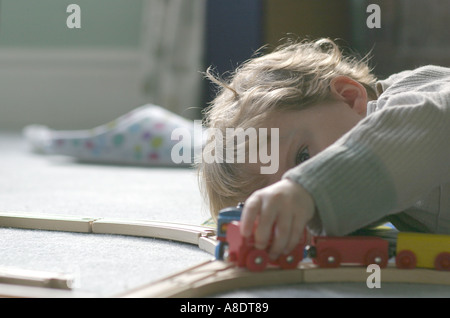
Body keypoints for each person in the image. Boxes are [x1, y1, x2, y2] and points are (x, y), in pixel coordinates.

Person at [197, 38, 450, 262]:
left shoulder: (417, 101)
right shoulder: (378, 196)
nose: (300, 210)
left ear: (350, 97)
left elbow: (420, 131)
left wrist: (305, 189)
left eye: (303, 157)